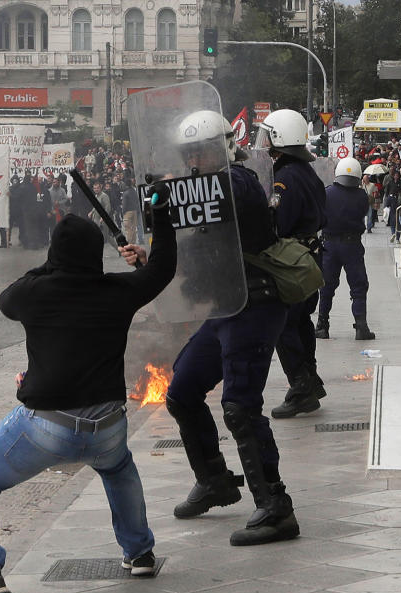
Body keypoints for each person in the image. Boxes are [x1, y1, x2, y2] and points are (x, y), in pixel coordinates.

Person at [0, 211, 177, 593]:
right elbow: (161, 270)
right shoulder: (119, 290)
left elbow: (9, 294)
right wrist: (160, 219)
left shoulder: (35, 294)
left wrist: (50, 264)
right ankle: (140, 553)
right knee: (117, 468)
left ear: (55, 254)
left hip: (47, 426)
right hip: (108, 425)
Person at [121, 110, 299, 546]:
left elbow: (218, 194)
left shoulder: (238, 183)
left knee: (240, 405)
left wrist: (163, 192)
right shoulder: (200, 195)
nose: (195, 160)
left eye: (201, 151)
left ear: (223, 147)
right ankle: (215, 480)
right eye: (189, 154)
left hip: (256, 307)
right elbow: (193, 256)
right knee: (181, 391)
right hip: (224, 311)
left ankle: (276, 507)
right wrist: (148, 258)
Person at [257, 109, 328, 419]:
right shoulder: (305, 171)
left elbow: (280, 224)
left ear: (280, 139)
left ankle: (301, 387)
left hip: (294, 263)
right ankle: (310, 381)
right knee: (300, 324)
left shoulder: (285, 177)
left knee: (283, 325)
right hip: (310, 258)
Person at [315, 158, 375, 341]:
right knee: (358, 286)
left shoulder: (326, 193)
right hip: (352, 246)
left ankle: (322, 326)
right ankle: (361, 326)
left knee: (326, 287)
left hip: (329, 245)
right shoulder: (362, 196)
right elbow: (365, 211)